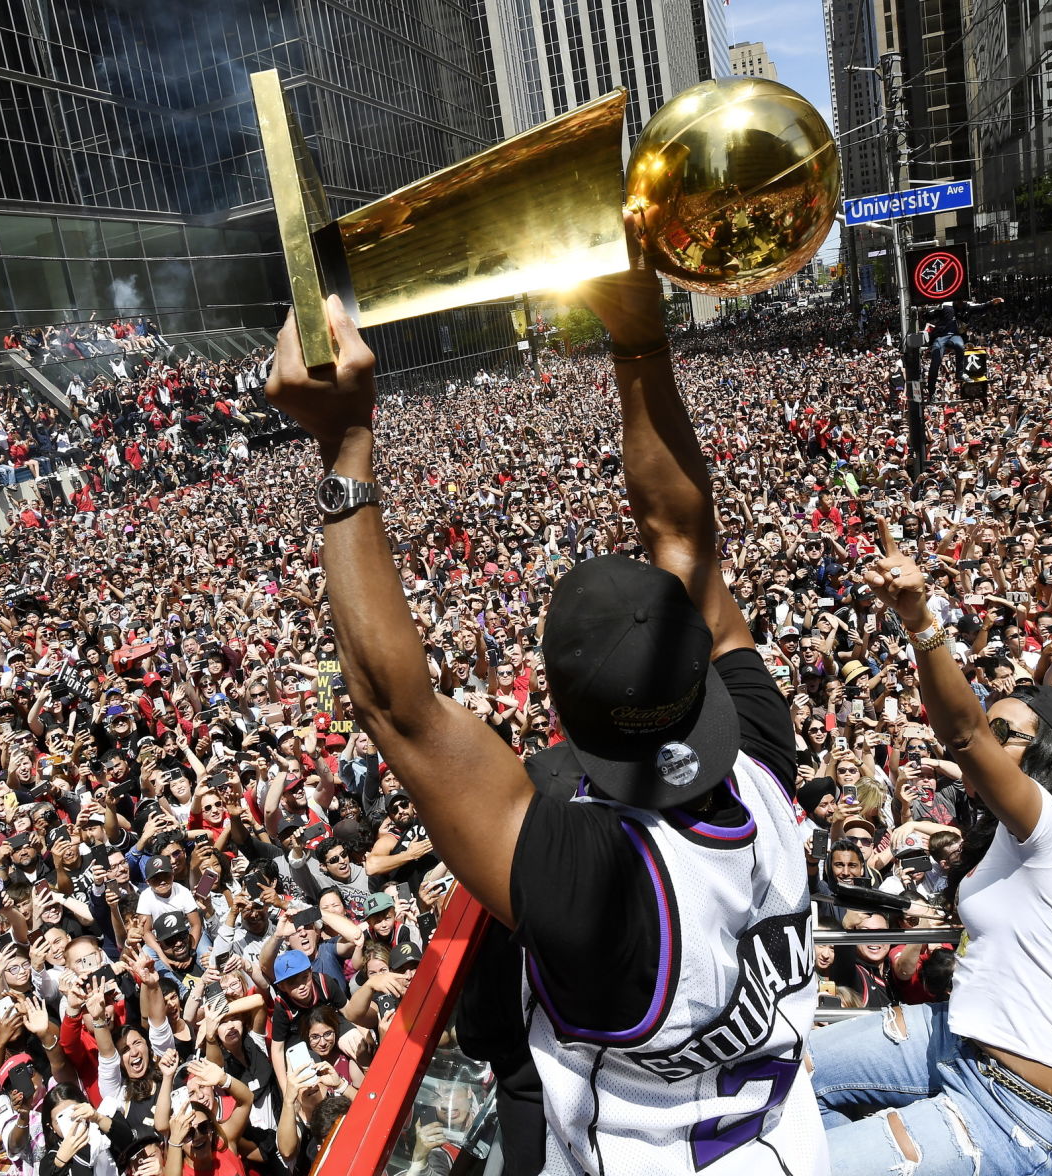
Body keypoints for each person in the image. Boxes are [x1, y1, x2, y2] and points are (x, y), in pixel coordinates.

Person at [264, 279, 829, 1174]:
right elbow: (684, 537)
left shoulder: (594, 883)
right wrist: (642, 345)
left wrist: (347, 442)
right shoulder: (761, 752)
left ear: (559, 719)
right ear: (697, 671)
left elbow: (393, 703)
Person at [808, 522, 1052, 1174]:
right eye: (991, 730)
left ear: (1047, 763)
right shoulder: (1012, 836)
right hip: (956, 1040)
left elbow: (962, 736)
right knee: (789, 1076)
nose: (988, 745)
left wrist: (917, 616)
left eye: (1007, 737)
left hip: (1014, 1115)